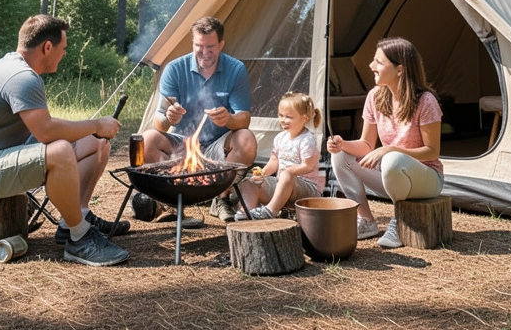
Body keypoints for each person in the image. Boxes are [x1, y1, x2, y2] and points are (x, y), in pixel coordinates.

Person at [0, 14, 130, 267]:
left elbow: (43, 124)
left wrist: (94, 131)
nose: (64, 54)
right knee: (60, 151)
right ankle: (80, 239)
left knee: (96, 142)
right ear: (47, 47)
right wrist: (96, 124)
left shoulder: (17, 67)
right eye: (63, 49)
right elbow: (47, 133)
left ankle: (74, 220)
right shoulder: (22, 77)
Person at [327, 37, 444, 248]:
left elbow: (432, 151)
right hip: (393, 176)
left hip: (427, 179)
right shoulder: (375, 97)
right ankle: (366, 221)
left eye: (378, 62)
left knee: (391, 159)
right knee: (340, 156)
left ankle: (400, 220)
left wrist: (390, 149)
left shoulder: (426, 101)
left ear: (400, 70)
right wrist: (342, 144)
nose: (371, 66)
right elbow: (366, 145)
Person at [139, 16, 256, 222]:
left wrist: (228, 119)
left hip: (217, 147)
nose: (204, 53)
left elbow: (244, 119)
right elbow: (159, 122)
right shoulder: (175, 69)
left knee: (246, 139)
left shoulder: (235, 69)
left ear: (221, 44)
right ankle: (171, 201)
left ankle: (221, 199)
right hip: (182, 144)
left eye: (210, 47)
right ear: (192, 43)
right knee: (147, 139)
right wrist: (168, 118)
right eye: (198, 46)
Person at [234, 92, 325, 220]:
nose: (283, 120)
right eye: (280, 115)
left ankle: (271, 211)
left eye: (289, 117)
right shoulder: (280, 138)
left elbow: (308, 166)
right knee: (250, 182)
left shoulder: (306, 140)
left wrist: (288, 171)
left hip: (307, 190)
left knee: (286, 175)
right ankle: (246, 213)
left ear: (304, 119)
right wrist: (263, 172)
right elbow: (274, 160)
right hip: (282, 186)